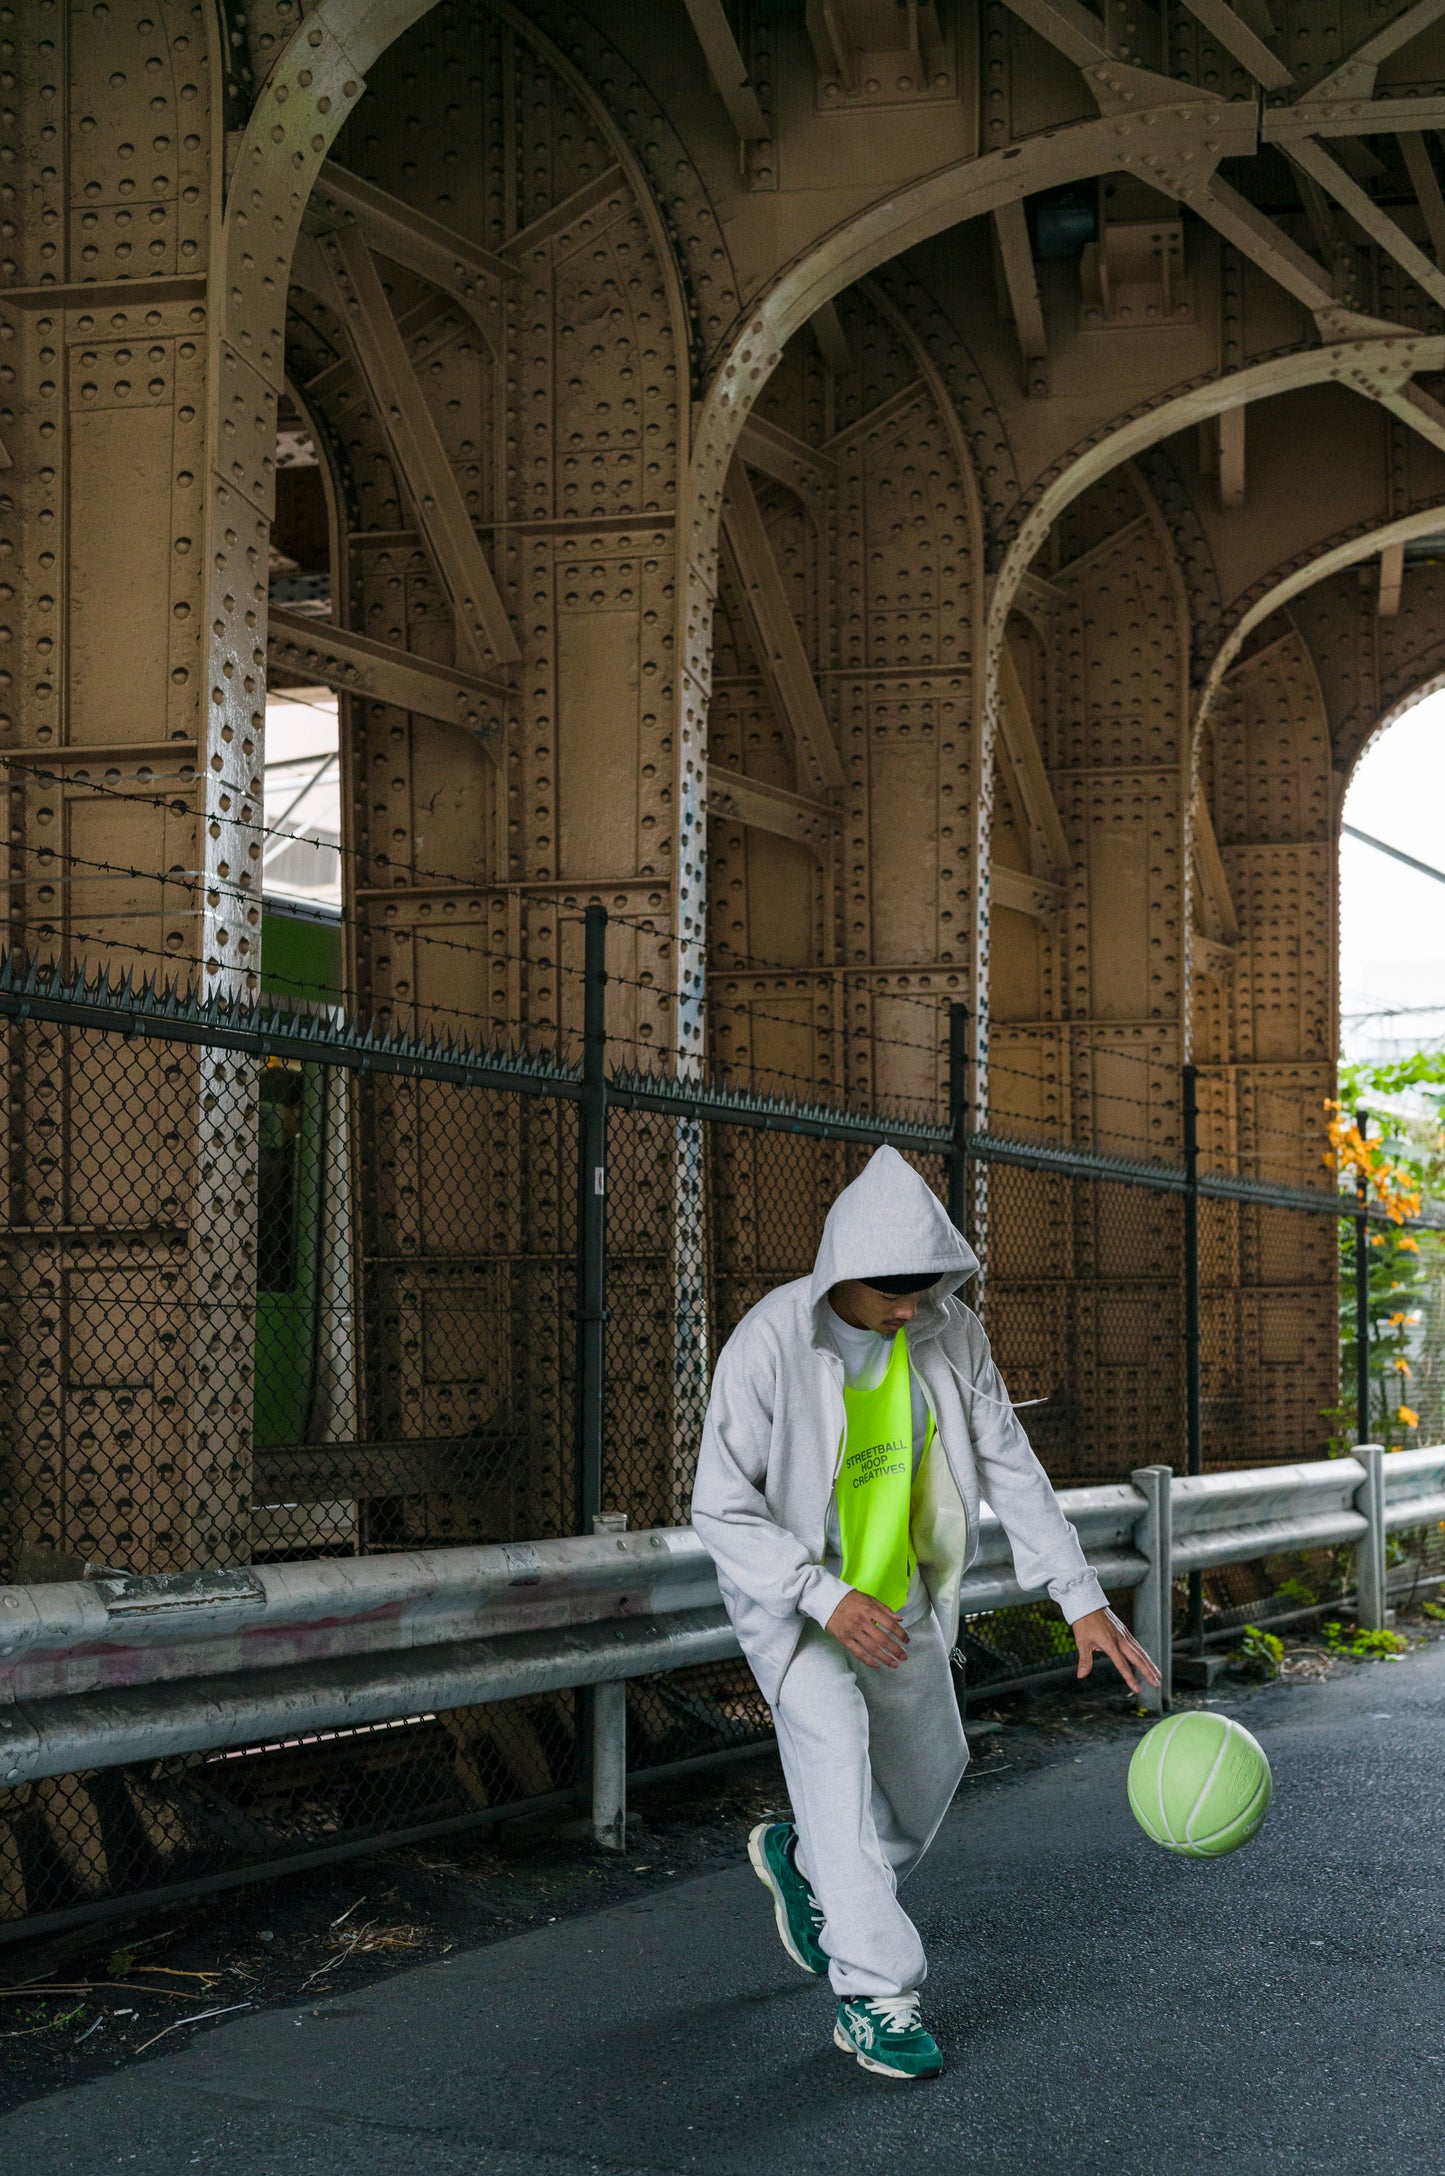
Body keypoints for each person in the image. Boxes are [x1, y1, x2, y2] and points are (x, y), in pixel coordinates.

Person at [691, 1144, 1159, 2081]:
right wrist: (820, 1594)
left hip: (895, 1592)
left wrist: (1082, 1600)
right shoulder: (769, 1341)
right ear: (841, 1276)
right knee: (830, 1757)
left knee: (930, 1770)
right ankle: (875, 1996)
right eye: (890, 1293)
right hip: (800, 1602)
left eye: (924, 1288)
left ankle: (810, 1864)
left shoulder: (949, 1333)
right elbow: (720, 1505)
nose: (908, 1309)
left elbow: (1009, 1464)